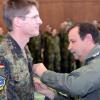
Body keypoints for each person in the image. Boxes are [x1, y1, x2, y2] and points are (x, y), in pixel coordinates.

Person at [33, 22, 100, 100]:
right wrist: (51, 93)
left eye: (73, 41)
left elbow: (75, 85)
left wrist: (44, 73)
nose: (69, 47)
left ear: (88, 39)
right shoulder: (91, 62)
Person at [0, 0, 49, 99]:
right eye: (34, 17)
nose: (40, 21)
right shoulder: (2, 55)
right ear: (18, 22)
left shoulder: (24, 48)